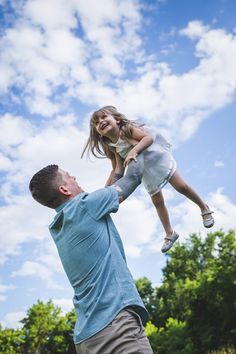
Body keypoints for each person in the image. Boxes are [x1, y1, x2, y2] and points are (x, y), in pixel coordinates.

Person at [29, 156, 154, 354]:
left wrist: (117, 165)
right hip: (116, 329)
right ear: (64, 189)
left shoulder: (61, 224)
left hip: (88, 339)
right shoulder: (86, 206)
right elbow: (134, 177)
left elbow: (107, 192)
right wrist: (134, 145)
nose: (75, 177)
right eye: (69, 177)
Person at [82, 105, 215, 253]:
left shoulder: (127, 129)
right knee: (157, 201)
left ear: (117, 120)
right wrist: (106, 190)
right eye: (96, 122)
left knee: (181, 187)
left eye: (104, 117)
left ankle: (204, 208)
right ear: (98, 132)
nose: (100, 121)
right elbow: (117, 169)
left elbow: (148, 138)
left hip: (155, 159)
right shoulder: (112, 146)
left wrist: (134, 150)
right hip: (144, 170)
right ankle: (170, 233)